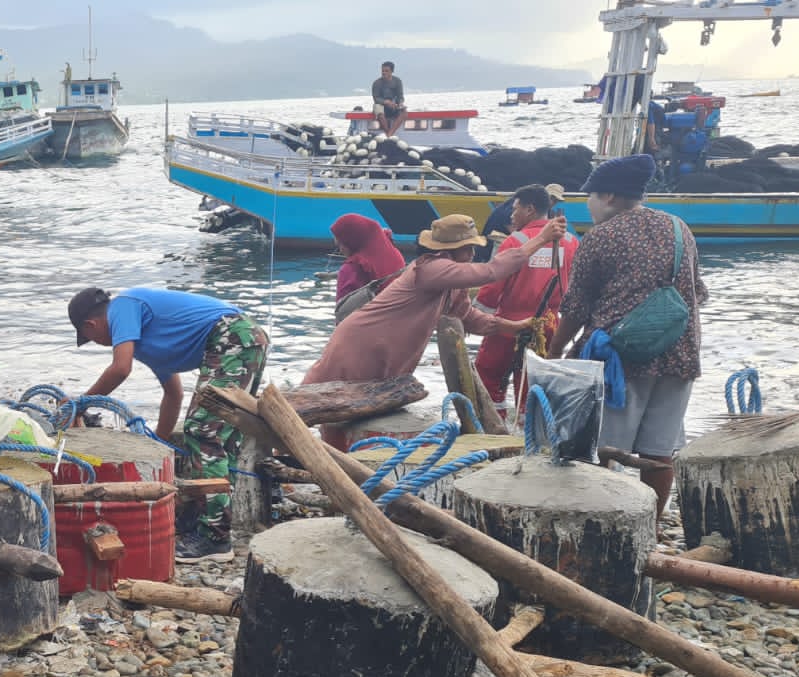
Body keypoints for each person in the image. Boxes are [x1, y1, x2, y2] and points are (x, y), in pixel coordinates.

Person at [303, 213, 567, 448]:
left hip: (384, 352)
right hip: (361, 344)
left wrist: (520, 327)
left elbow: (473, 320)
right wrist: (541, 238)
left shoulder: (452, 285)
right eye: (468, 249)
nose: (473, 255)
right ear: (452, 250)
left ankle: (341, 467)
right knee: (325, 406)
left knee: (360, 409)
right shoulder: (432, 268)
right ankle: (312, 462)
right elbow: (491, 271)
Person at [549, 154, 703, 513]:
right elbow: (698, 290)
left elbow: (575, 308)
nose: (587, 203)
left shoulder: (600, 237)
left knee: (603, 449)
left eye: (591, 196)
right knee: (660, 451)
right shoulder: (680, 228)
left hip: (621, 359)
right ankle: (650, 526)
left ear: (611, 197)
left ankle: (601, 518)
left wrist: (556, 351)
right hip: (680, 352)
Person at [68, 287, 268, 562]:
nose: (97, 342)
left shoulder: (123, 306)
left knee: (202, 431)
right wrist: (156, 446)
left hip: (232, 336)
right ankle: (205, 522)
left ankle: (215, 539)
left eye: (89, 338)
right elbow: (173, 394)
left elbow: (120, 368)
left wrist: (80, 403)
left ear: (91, 325)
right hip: (243, 339)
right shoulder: (150, 344)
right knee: (223, 437)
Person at [473, 184, 580, 408]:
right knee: (535, 387)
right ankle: (528, 431)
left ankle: (494, 429)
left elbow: (493, 287)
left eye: (515, 209)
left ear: (529, 210)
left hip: (508, 325)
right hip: (549, 326)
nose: (512, 215)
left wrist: (477, 319)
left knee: (489, 380)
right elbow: (575, 286)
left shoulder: (515, 242)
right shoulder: (571, 242)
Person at [476, 183, 565, 263]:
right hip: (491, 248)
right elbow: (516, 234)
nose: (552, 202)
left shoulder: (546, 211)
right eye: (551, 198)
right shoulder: (518, 206)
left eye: (556, 200)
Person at [330, 213, 404, 306]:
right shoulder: (394, 254)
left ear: (352, 242)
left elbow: (342, 312)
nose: (340, 250)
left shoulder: (353, 268)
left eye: (341, 244)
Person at [372, 61, 406, 137]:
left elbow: (400, 96)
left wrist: (400, 103)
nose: (384, 73)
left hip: (393, 104)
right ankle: (389, 134)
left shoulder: (397, 81)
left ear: (392, 71)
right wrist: (386, 102)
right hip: (382, 105)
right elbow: (376, 98)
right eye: (382, 71)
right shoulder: (377, 83)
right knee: (378, 108)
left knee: (404, 112)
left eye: (386, 71)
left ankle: (390, 134)